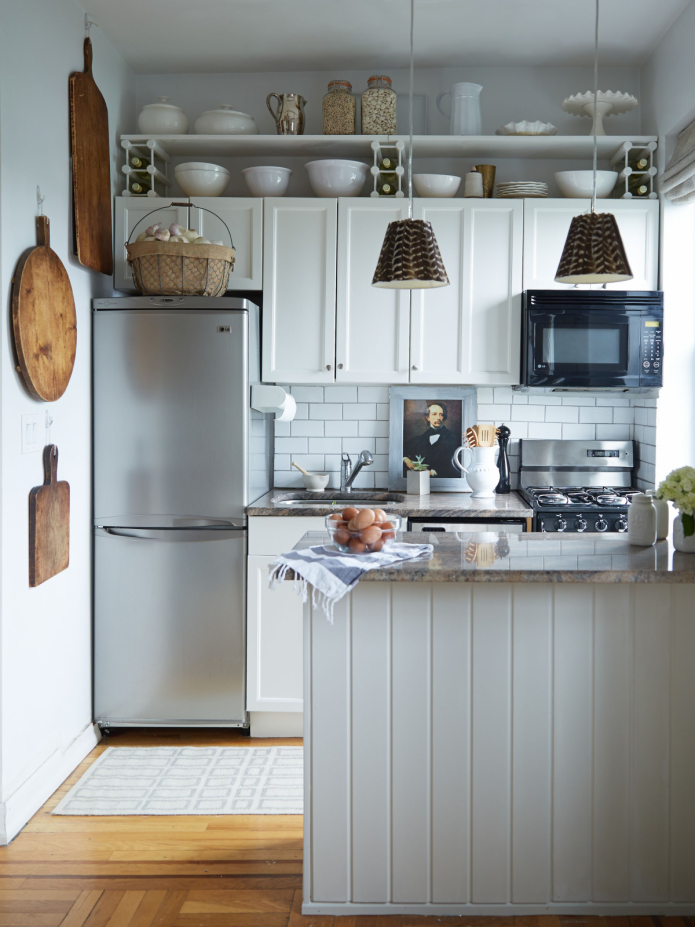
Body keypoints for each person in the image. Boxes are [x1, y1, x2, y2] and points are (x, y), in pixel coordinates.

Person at [403, 401, 460, 479]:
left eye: (441, 415)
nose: (438, 418)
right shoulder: (418, 439)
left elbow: (456, 464)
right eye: (434, 414)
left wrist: (432, 472)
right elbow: (401, 450)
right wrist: (407, 461)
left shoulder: (454, 439)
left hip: (443, 481)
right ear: (427, 417)